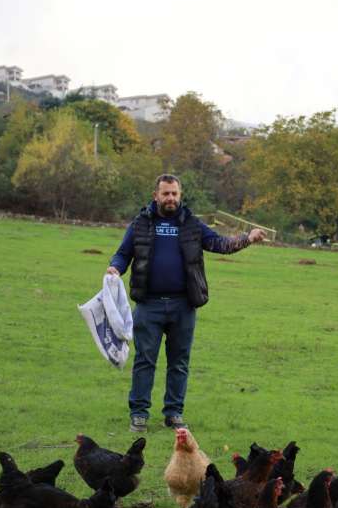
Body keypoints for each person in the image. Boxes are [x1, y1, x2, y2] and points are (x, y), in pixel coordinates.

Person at [107, 174, 266, 433]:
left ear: (180, 196)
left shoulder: (192, 224)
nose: (170, 198)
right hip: (149, 305)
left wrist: (247, 238)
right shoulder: (140, 224)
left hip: (184, 305)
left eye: (174, 194)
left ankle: (174, 413)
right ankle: (139, 414)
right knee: (145, 361)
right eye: (165, 193)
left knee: (179, 362)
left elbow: (219, 244)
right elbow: (124, 253)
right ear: (155, 195)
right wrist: (115, 268)